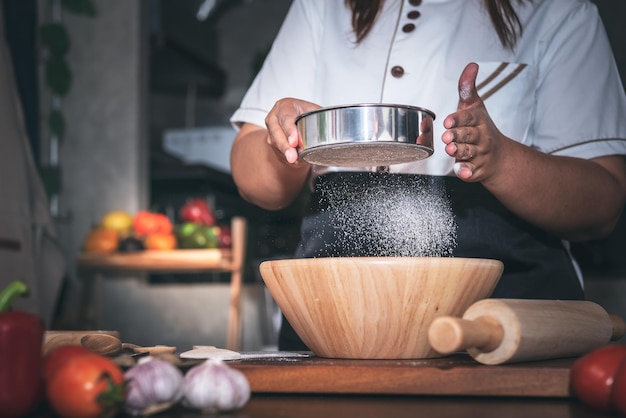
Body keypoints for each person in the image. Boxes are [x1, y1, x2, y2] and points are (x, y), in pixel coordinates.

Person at [230, 0, 626, 350]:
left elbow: (601, 205)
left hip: (500, 336)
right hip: (329, 330)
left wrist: (502, 160)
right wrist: (285, 145)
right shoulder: (324, 7)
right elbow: (255, 183)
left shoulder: (558, 10)